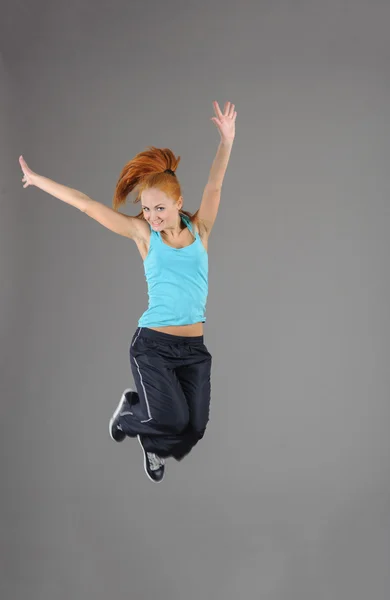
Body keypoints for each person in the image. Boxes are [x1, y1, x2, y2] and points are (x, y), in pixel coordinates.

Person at [19, 100, 237, 482]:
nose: (151, 216)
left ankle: (151, 441)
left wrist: (227, 141)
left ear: (178, 203)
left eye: (159, 209)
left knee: (193, 428)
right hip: (152, 345)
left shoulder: (201, 230)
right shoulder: (143, 236)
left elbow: (215, 182)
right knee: (168, 418)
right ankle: (128, 415)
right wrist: (39, 181)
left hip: (193, 349)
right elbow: (87, 206)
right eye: (147, 209)